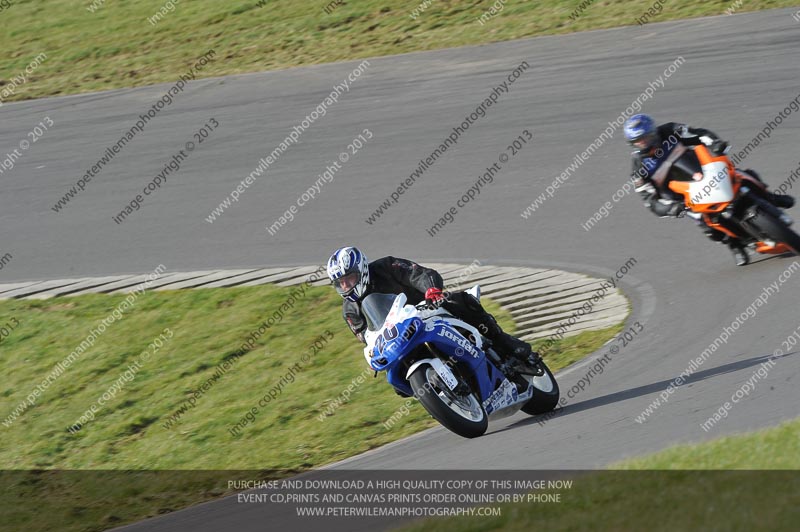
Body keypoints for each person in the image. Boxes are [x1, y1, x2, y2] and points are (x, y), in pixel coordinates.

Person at [623, 114, 794, 266]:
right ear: (633, 144)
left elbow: (699, 134)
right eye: (638, 141)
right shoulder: (639, 169)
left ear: (654, 132)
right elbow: (649, 200)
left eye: (647, 137)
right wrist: (670, 208)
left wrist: (716, 144)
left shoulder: (670, 131)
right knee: (706, 225)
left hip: (706, 171)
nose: (644, 143)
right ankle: (734, 244)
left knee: (743, 176)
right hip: (684, 197)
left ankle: (771, 197)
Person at [326, 246, 537, 365]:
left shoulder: (386, 266)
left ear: (361, 269)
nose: (346, 286)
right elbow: (367, 337)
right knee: (397, 380)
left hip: (427, 308)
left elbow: (418, 273)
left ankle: (503, 340)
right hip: (401, 335)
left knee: (460, 301)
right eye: (340, 283)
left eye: (349, 279)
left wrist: (431, 290)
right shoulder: (350, 310)